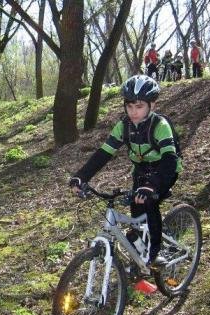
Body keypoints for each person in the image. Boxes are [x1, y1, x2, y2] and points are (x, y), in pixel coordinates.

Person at [69, 75, 182, 272]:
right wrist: (81, 176)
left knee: (149, 201)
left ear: (152, 105)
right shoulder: (124, 126)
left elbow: (170, 160)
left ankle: (156, 253)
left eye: (139, 107)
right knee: (136, 210)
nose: (133, 112)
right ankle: (140, 252)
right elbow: (103, 154)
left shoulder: (160, 126)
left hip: (165, 170)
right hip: (141, 171)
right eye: (129, 106)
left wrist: (153, 186)